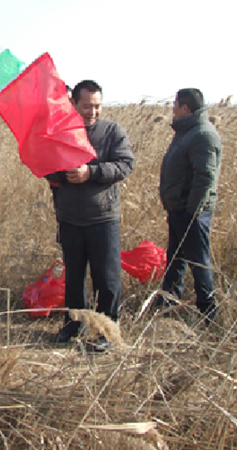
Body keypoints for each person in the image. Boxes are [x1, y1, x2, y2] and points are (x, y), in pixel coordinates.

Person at [47, 80, 135, 350]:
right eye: (87, 106)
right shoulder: (60, 132)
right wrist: (64, 173)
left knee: (107, 279)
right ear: (74, 103)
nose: (92, 112)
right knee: (74, 277)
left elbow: (125, 164)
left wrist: (91, 172)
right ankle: (73, 325)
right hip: (70, 217)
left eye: (97, 106)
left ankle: (107, 332)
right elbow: (46, 166)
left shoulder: (112, 132)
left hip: (103, 217)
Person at [157, 88, 222, 323]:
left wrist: (192, 211)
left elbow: (205, 177)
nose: (172, 110)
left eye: (175, 105)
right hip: (179, 209)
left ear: (185, 109)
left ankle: (209, 314)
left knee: (198, 262)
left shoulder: (203, 134)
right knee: (175, 259)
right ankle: (167, 305)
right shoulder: (187, 131)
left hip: (192, 213)